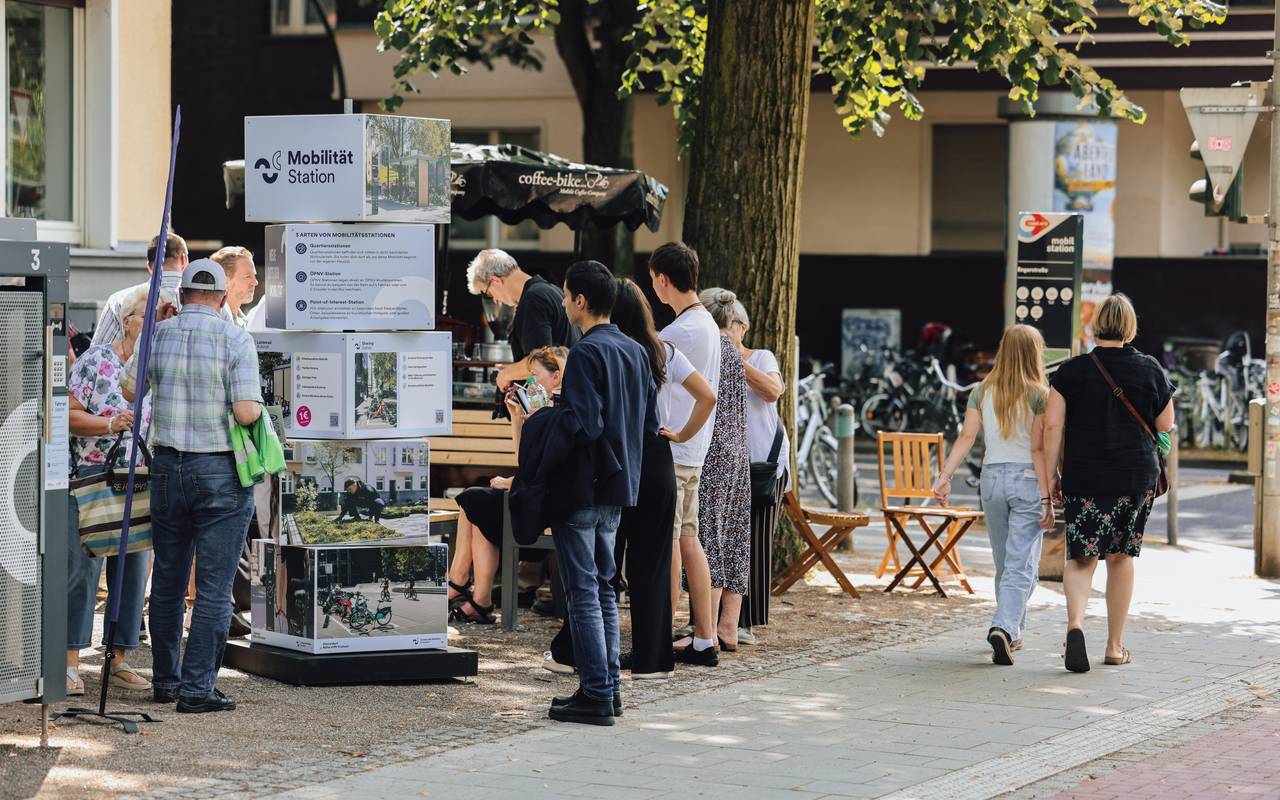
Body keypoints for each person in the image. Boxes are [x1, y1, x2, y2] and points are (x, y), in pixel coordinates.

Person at [125, 258, 263, 713]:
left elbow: (129, 389)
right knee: (213, 587)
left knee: (166, 580)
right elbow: (246, 412)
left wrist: (153, 331)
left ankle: (166, 681)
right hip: (219, 471)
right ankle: (197, 689)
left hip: (166, 469)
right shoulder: (235, 338)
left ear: (181, 296)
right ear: (223, 298)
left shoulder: (158, 335)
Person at [546, 260, 657, 725]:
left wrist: (550, 415)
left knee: (584, 590)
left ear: (581, 301)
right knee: (607, 587)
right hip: (621, 482)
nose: (565, 303)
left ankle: (595, 692)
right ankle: (608, 689)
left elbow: (584, 424)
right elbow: (649, 423)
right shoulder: (636, 351)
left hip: (585, 483)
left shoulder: (586, 353)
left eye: (567, 296)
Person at [1044, 294, 1175, 674]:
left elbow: (1053, 426)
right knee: (1120, 557)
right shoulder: (1150, 370)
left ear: (1094, 325)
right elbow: (1165, 426)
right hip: (1134, 477)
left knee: (1081, 557)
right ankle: (1115, 646)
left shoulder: (1070, 372)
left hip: (1084, 477)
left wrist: (1052, 474)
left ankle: (1075, 626)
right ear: (1130, 328)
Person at [64, 285, 176, 696]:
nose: (155, 325)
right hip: (93, 479)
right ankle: (70, 661)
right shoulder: (97, 361)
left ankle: (119, 658)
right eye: (149, 317)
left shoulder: (157, 365)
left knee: (132, 574)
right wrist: (110, 424)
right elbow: (67, 414)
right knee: (83, 571)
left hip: (141, 480)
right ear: (128, 320)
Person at [611, 278, 716, 679]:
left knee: (613, 557)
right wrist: (681, 433)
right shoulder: (664, 351)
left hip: (627, 458)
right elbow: (708, 396)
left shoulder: (620, 353)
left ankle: (597, 648)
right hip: (663, 457)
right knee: (655, 561)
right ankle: (654, 656)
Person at [933, 325, 1055, 665]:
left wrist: (944, 476)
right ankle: (1003, 626)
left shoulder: (982, 390)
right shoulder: (1039, 394)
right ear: (1034, 353)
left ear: (1003, 351)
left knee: (1006, 563)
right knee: (1021, 565)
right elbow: (1040, 449)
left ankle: (1013, 632)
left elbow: (967, 437)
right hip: (1028, 479)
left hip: (991, 479)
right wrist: (1047, 495)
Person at [446, 347, 569, 625]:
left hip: (546, 500)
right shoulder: (544, 408)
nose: (530, 383)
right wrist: (517, 417)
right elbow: (524, 458)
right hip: (533, 492)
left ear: (556, 377)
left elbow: (549, 469)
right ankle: (474, 594)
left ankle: (465, 586)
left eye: (535, 376)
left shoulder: (563, 411)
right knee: (474, 503)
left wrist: (511, 482)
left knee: (474, 501)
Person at [649, 241, 720, 666]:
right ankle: (704, 637)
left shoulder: (675, 333)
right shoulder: (708, 323)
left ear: (662, 280)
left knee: (669, 542)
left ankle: (660, 634)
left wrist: (676, 434)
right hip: (695, 449)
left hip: (677, 448)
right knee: (689, 540)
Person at [726, 297, 788, 642]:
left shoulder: (761, 356)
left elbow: (773, 391)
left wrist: (736, 360)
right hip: (725, 460)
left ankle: (746, 621)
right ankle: (714, 618)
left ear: (742, 328)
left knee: (756, 538)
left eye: (729, 325)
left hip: (763, 460)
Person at [695, 288, 753, 652]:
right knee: (735, 536)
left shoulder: (710, 349)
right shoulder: (736, 351)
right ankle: (729, 626)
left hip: (712, 447)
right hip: (738, 450)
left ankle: (708, 630)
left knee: (710, 537)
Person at [466, 249, 579, 389]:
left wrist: (507, 374)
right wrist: (515, 370)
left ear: (495, 280)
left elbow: (539, 363)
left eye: (488, 293)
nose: (495, 300)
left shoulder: (533, 299)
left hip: (554, 402)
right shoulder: (550, 291)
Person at [92, 232, 188, 347]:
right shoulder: (201, 301)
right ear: (183, 260)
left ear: (149, 266)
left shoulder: (118, 300)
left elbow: (98, 354)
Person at [209, 246, 258, 329]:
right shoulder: (213, 325)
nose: (255, 282)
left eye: (254, 275)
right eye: (247, 276)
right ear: (224, 281)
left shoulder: (247, 322)